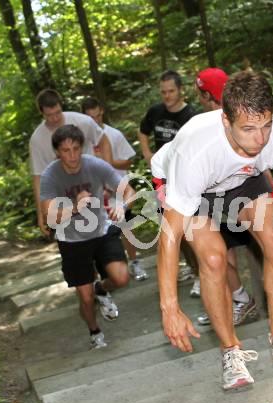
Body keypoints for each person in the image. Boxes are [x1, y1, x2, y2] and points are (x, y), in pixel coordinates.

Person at [151, 71, 273, 390]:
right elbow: (169, 236)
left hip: (242, 176)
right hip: (191, 185)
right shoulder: (197, 150)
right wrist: (169, 307)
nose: (261, 138)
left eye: (266, 125)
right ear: (225, 120)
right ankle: (231, 353)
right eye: (249, 128)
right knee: (214, 259)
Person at [40, 124, 135, 349]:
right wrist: (74, 206)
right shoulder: (51, 175)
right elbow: (48, 215)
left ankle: (100, 288)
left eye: (76, 149)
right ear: (57, 152)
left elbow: (128, 191)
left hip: (101, 230)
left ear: (82, 147)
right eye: (66, 150)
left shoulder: (95, 165)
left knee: (121, 278)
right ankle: (95, 332)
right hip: (71, 239)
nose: (72, 155)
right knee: (85, 298)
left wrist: (122, 204)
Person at [195, 68, 259, 326]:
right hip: (223, 199)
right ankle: (231, 303)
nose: (197, 98)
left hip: (230, 198)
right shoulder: (233, 115)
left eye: (200, 93)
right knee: (220, 258)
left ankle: (242, 303)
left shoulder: (223, 121)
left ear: (207, 94)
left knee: (218, 257)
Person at [138, 70, 199, 294]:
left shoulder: (191, 116)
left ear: (181, 89)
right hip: (162, 180)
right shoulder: (155, 111)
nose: (167, 96)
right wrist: (147, 153)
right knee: (172, 230)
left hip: (185, 181)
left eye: (171, 91)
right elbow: (143, 130)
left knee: (191, 229)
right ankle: (193, 268)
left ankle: (202, 273)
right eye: (163, 92)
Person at [30, 89, 113, 237]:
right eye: (49, 115)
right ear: (41, 114)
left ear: (61, 106)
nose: (55, 118)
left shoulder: (82, 121)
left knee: (103, 234)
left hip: (91, 185)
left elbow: (104, 141)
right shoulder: (37, 139)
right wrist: (41, 212)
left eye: (58, 112)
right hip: (63, 194)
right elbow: (38, 177)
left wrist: (107, 177)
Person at [81, 97, 148, 281]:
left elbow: (128, 160)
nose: (95, 121)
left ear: (102, 112)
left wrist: (109, 162)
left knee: (125, 226)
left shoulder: (114, 134)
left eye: (97, 116)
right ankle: (103, 275)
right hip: (95, 194)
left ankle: (134, 262)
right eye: (90, 118)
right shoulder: (82, 140)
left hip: (119, 188)